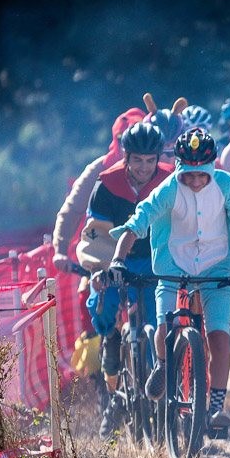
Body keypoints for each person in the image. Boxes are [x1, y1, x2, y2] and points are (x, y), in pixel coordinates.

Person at [110, 128, 230, 432]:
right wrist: (118, 259)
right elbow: (137, 222)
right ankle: (164, 366)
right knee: (165, 327)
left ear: (212, 168)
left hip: (219, 267)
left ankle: (216, 408)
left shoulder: (228, 186)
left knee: (219, 337)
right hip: (174, 265)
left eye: (202, 174)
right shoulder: (167, 190)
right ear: (178, 167)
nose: (195, 181)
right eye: (188, 174)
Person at [84, 121, 172, 436]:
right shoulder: (106, 185)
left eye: (151, 160)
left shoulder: (169, 179)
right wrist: (99, 268)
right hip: (114, 258)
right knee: (104, 306)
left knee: (159, 320)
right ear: (126, 157)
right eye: (138, 160)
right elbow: (95, 234)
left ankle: (158, 393)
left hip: (155, 260)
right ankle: (110, 340)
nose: (144, 168)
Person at [52, 107, 148, 271]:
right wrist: (60, 251)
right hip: (103, 260)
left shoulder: (162, 171)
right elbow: (72, 210)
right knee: (91, 294)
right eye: (124, 141)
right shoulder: (99, 170)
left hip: (149, 263)